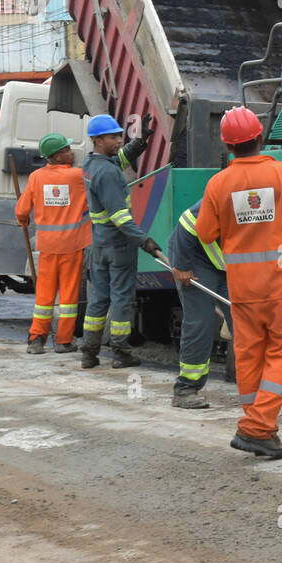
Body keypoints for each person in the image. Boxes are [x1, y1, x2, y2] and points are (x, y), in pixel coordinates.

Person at [194, 106, 282, 460]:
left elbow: (205, 232)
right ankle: (258, 428)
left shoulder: (218, 183)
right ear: (260, 137)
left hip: (243, 289)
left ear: (227, 146)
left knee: (249, 354)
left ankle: (256, 423)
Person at [80, 112, 162, 370]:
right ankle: (120, 351)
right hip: (118, 246)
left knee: (98, 299)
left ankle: (89, 352)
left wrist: (140, 142)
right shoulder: (108, 174)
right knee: (122, 299)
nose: (118, 140)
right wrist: (145, 242)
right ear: (97, 139)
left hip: (100, 245)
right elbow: (120, 217)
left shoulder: (92, 164)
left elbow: (121, 158)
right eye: (113, 137)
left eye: (119, 135)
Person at [15, 133, 90, 354]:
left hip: (47, 246)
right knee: (68, 296)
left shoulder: (36, 177)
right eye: (67, 149)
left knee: (44, 296)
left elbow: (21, 210)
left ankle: (37, 340)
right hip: (72, 246)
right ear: (56, 156)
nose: (71, 152)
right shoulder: (78, 176)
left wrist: (23, 221)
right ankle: (64, 341)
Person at [166, 200, 232, 409]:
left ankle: (267, 388)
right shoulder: (232, 193)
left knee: (249, 321)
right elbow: (188, 222)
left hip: (229, 263)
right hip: (196, 259)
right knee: (200, 322)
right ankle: (186, 388)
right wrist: (182, 265)